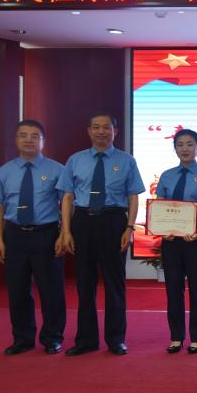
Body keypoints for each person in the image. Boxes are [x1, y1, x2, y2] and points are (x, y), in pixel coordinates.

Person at [59, 112, 145, 356]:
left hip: (113, 222)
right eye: (96, 127)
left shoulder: (126, 161)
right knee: (84, 284)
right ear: (89, 131)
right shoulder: (75, 160)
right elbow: (67, 197)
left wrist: (129, 228)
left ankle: (116, 339)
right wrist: (66, 231)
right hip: (83, 222)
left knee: (114, 283)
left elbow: (133, 196)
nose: (101, 132)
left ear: (115, 131)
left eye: (106, 127)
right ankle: (86, 340)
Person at [0, 119, 67, 355]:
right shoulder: (4, 171)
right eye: (23, 135)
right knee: (18, 290)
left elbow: (67, 204)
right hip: (14, 236)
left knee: (51, 290)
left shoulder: (57, 170)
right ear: (16, 140)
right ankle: (22, 338)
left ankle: (52, 337)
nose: (29, 139)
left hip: (46, 235)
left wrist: (64, 234)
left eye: (35, 135)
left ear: (43, 141)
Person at [154, 129, 197, 355]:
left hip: (196, 234)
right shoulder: (167, 175)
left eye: (190, 144)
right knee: (173, 288)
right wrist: (163, 230)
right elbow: (160, 205)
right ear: (175, 148)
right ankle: (176, 336)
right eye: (180, 144)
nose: (185, 149)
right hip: (171, 237)